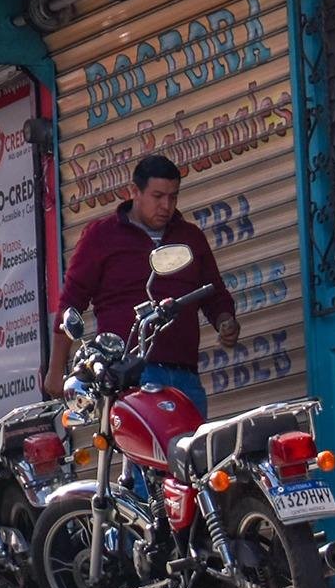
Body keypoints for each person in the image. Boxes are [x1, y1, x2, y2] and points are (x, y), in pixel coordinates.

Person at [43, 153, 239, 418]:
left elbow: (215, 294)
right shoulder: (102, 235)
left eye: (173, 197)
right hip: (128, 376)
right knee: (142, 458)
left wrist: (226, 321)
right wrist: (56, 370)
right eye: (158, 196)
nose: (166, 205)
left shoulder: (190, 237)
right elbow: (72, 303)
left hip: (185, 375)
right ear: (134, 191)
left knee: (193, 457)